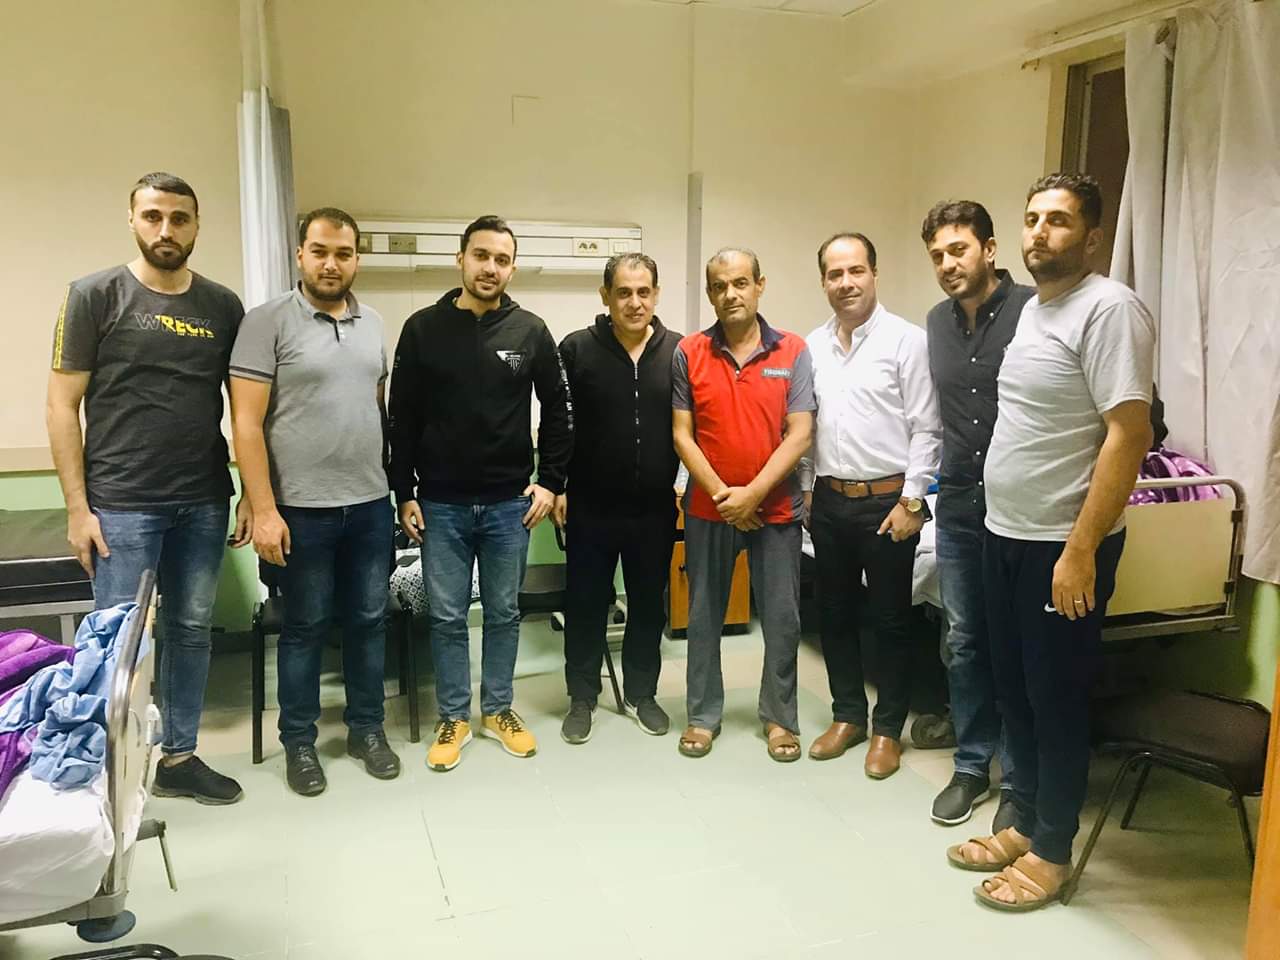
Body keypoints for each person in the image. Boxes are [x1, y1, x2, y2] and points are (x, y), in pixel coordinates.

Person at [947, 174, 1155, 912]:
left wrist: (1081, 549)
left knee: (1055, 698)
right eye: (1032, 218)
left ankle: (1054, 850)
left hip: (1059, 547)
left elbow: (1129, 434)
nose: (1039, 232)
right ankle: (1025, 821)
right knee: (1014, 692)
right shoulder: (1037, 311)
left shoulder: (1109, 309)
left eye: (1059, 221)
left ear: (1092, 238)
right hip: (1003, 532)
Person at [46, 171, 248, 805]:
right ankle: (106, 768)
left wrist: (249, 492)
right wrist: (78, 509)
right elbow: (61, 406)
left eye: (179, 218)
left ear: (196, 226)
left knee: (191, 629)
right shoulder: (92, 295)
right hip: (122, 502)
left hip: (203, 498)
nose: (166, 230)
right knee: (120, 638)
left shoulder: (222, 306)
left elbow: (244, 409)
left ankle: (178, 757)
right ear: (132, 220)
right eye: (153, 216)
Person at [389, 215, 573, 772]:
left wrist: (551, 482)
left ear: (511, 269)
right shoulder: (422, 329)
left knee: (503, 613)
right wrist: (404, 491)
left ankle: (497, 710)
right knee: (446, 617)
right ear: (461, 259)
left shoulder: (530, 331)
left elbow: (559, 410)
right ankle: (454, 717)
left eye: (501, 259)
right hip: (440, 504)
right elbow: (401, 417)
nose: (490, 267)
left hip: (508, 506)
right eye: (481, 256)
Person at [230, 207, 400, 796]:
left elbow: (375, 409)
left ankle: (367, 730)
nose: (331, 264)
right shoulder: (266, 322)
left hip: (370, 505)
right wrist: (263, 508)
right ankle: (299, 742)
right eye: (320, 251)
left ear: (356, 259)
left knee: (369, 622)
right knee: (304, 628)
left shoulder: (374, 324)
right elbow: (245, 423)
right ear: (300, 254)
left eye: (343, 253)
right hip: (300, 510)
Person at [799, 232, 942, 780]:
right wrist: (807, 488)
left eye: (855, 271)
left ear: (873, 274)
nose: (846, 283)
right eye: (834, 274)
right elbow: (807, 427)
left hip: (888, 502)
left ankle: (887, 730)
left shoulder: (907, 342)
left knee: (890, 620)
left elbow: (928, 428)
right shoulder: (812, 347)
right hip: (829, 500)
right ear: (823, 282)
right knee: (833, 614)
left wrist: (913, 500)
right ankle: (848, 717)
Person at [671, 248, 815, 762]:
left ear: (759, 285)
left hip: (775, 511)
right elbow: (682, 435)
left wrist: (752, 494)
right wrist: (725, 497)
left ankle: (779, 718)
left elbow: (800, 433)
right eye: (719, 286)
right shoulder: (689, 351)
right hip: (710, 509)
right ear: (710, 293)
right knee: (703, 616)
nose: (729, 294)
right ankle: (702, 715)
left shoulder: (793, 350)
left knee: (781, 618)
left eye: (739, 283)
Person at [921, 201, 1034, 828]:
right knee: (963, 642)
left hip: (1018, 509)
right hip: (960, 505)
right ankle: (970, 766)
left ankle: (1018, 782)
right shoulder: (936, 323)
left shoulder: (1032, 313)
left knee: (1014, 645)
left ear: (990, 249)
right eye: (937, 255)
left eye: (958, 250)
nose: (947, 264)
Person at [555, 253, 680, 744]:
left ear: (656, 294)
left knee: (648, 605)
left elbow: (692, 426)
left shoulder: (679, 351)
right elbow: (559, 426)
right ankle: (582, 697)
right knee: (586, 603)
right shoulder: (576, 349)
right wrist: (557, 484)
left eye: (643, 292)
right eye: (623, 292)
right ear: (605, 295)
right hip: (590, 506)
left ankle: (642, 694)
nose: (634, 302)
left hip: (653, 507)